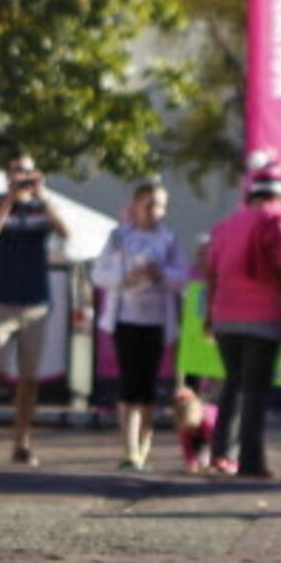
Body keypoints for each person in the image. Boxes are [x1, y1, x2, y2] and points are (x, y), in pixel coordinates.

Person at [202, 157, 281, 478]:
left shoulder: (226, 224)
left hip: (225, 317)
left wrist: (209, 315)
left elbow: (211, 272)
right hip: (263, 317)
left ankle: (221, 454)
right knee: (255, 391)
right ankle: (251, 461)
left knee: (232, 384)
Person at [0, 153, 63, 465]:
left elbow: (65, 232)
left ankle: (22, 441)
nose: (22, 176)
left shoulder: (42, 208)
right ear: (7, 174)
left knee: (28, 378)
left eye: (27, 171)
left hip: (35, 303)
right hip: (3, 302)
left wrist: (42, 195)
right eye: (17, 171)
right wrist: (11, 198)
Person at [91, 177, 187, 470]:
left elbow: (182, 277)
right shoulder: (120, 237)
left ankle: (143, 445)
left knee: (148, 387)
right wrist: (124, 279)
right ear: (136, 206)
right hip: (125, 319)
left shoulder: (169, 240)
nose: (155, 211)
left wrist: (160, 274)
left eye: (160, 206)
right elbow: (99, 273)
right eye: (149, 205)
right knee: (129, 385)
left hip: (156, 321)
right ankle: (129, 448)